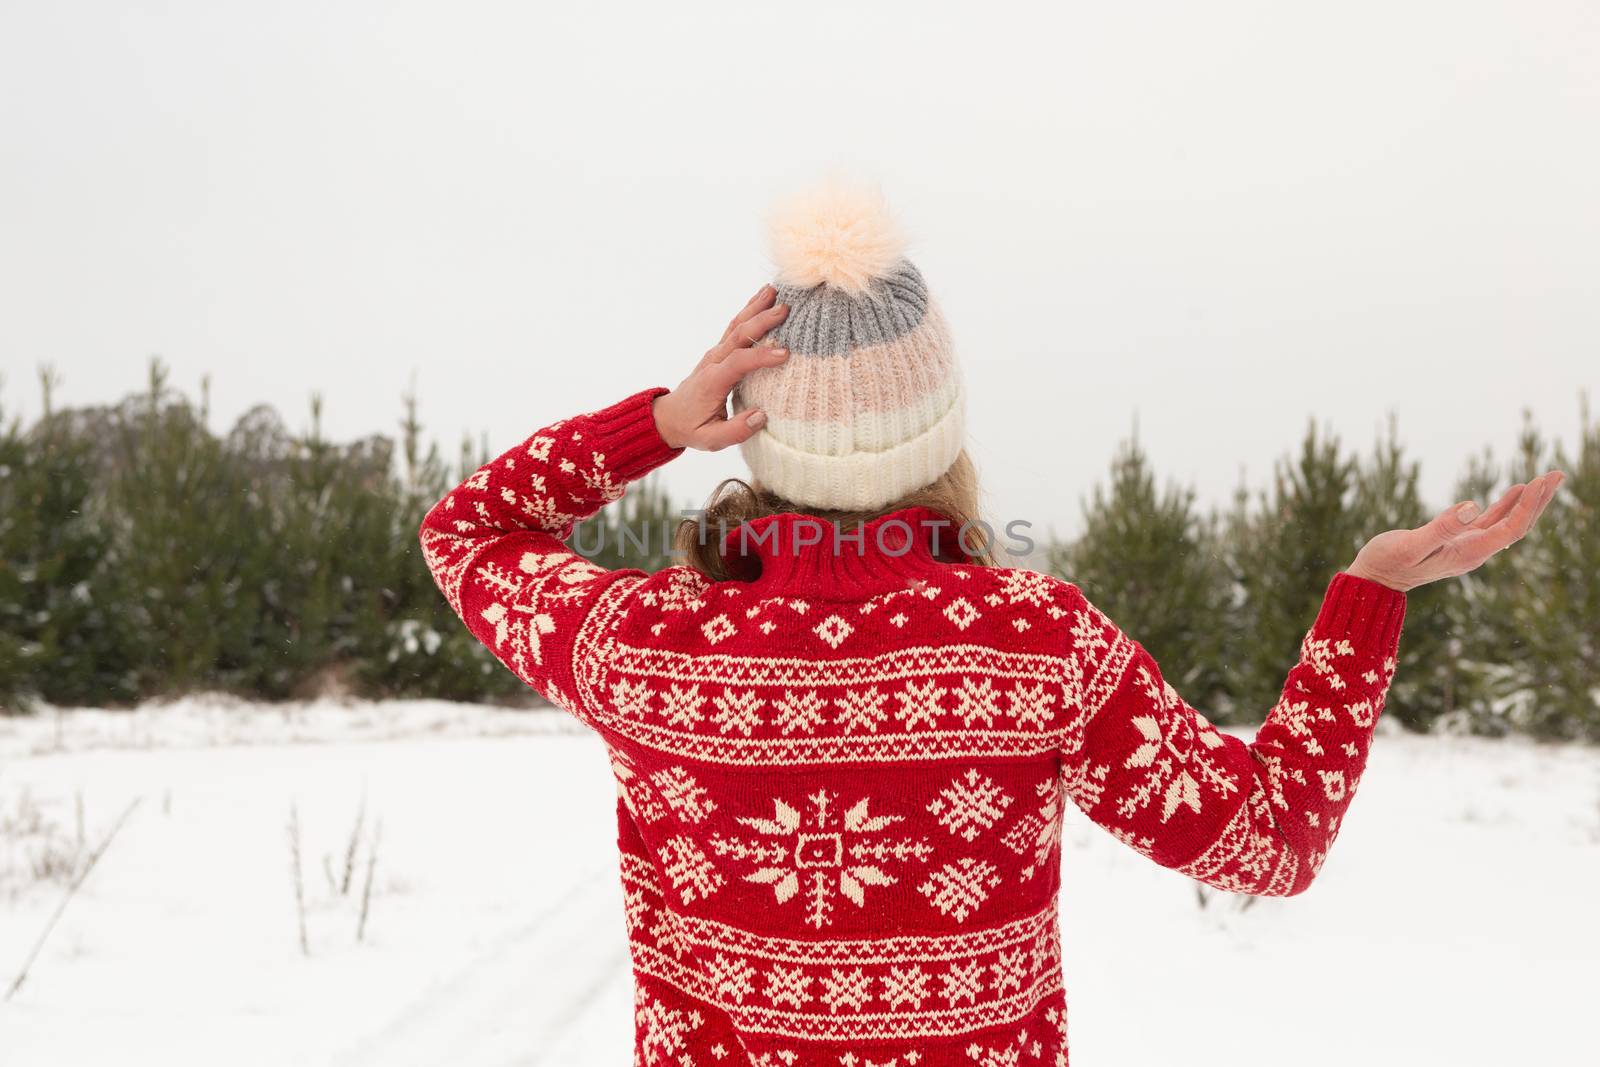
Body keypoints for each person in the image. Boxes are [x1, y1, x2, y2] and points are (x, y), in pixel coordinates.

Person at [418, 182, 1562, 1067]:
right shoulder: (1035, 643)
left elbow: (466, 532)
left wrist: (661, 423)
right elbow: (1268, 839)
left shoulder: (643, 642)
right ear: (941, 433)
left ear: (754, 433)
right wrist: (1366, 598)